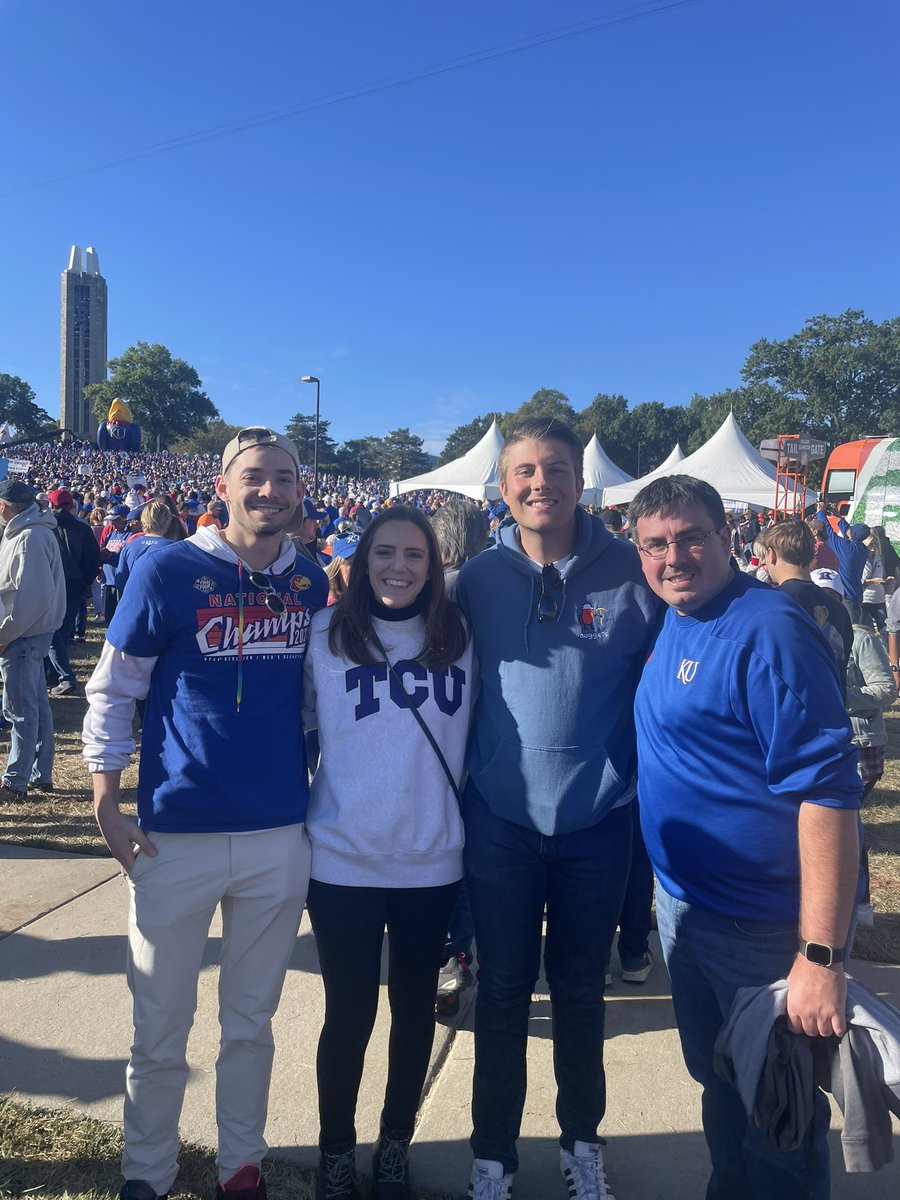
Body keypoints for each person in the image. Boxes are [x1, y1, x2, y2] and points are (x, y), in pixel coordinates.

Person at [82, 426, 328, 1200]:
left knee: (250, 1026)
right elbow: (113, 689)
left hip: (277, 834)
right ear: (221, 486)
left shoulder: (312, 583)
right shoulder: (168, 571)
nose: (269, 491)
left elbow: (323, 702)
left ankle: (239, 1168)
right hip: (174, 834)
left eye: (284, 478)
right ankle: (145, 1173)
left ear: (299, 490)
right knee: (159, 1030)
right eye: (254, 476)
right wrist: (105, 799)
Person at [630, 474, 862, 1200]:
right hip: (687, 910)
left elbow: (828, 793)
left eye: (693, 537)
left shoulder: (769, 628)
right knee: (722, 1092)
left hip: (764, 931)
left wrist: (819, 955)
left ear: (730, 539)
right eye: (657, 544)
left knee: (778, 1125)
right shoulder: (676, 615)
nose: (676, 556)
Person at [453, 418, 661, 1200]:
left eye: (557, 469)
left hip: (599, 823)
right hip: (501, 822)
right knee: (502, 993)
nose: (542, 483)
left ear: (582, 479)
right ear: (503, 486)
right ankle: (492, 1159)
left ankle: (581, 1145)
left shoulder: (633, 571)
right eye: (525, 471)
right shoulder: (475, 578)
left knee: (579, 994)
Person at [302, 506, 475, 1200]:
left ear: (433, 566)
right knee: (348, 1014)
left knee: (412, 1012)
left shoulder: (460, 636)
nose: (398, 567)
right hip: (341, 860)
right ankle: (335, 1151)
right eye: (384, 553)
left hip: (430, 860)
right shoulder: (324, 634)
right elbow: (293, 732)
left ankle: (394, 1144)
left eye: (414, 555)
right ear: (361, 559)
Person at [0, 479, 66, 800]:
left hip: (23, 633)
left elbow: (31, 598)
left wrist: (4, 635)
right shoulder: (30, 532)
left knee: (21, 710)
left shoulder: (29, 537)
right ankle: (40, 773)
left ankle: (15, 781)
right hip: (29, 633)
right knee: (36, 706)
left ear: (3, 506)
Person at [758, 521, 852, 693]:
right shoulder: (839, 610)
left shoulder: (768, 603)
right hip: (831, 706)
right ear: (811, 556)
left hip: (786, 709)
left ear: (771, 555)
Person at [45, 487, 101, 696]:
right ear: (71, 505)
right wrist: (85, 580)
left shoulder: (46, 527)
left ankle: (64, 676)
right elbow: (93, 559)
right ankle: (53, 672)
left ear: (52, 505)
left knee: (52, 633)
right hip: (75, 586)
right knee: (63, 632)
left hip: (53, 586)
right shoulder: (83, 528)